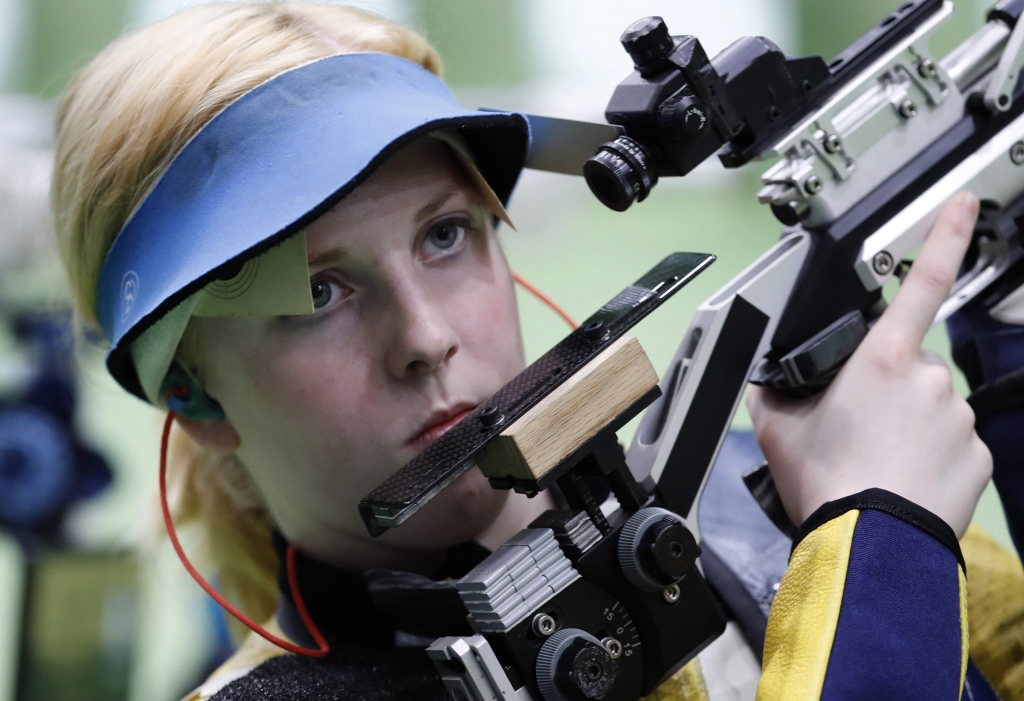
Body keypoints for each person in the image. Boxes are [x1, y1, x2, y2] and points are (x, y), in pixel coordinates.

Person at [49, 4, 1008, 700]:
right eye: (317, 292)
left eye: (445, 235)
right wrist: (884, 551)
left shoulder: (762, 490)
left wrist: (1007, 353)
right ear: (193, 396)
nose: (427, 339)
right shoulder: (855, 521)